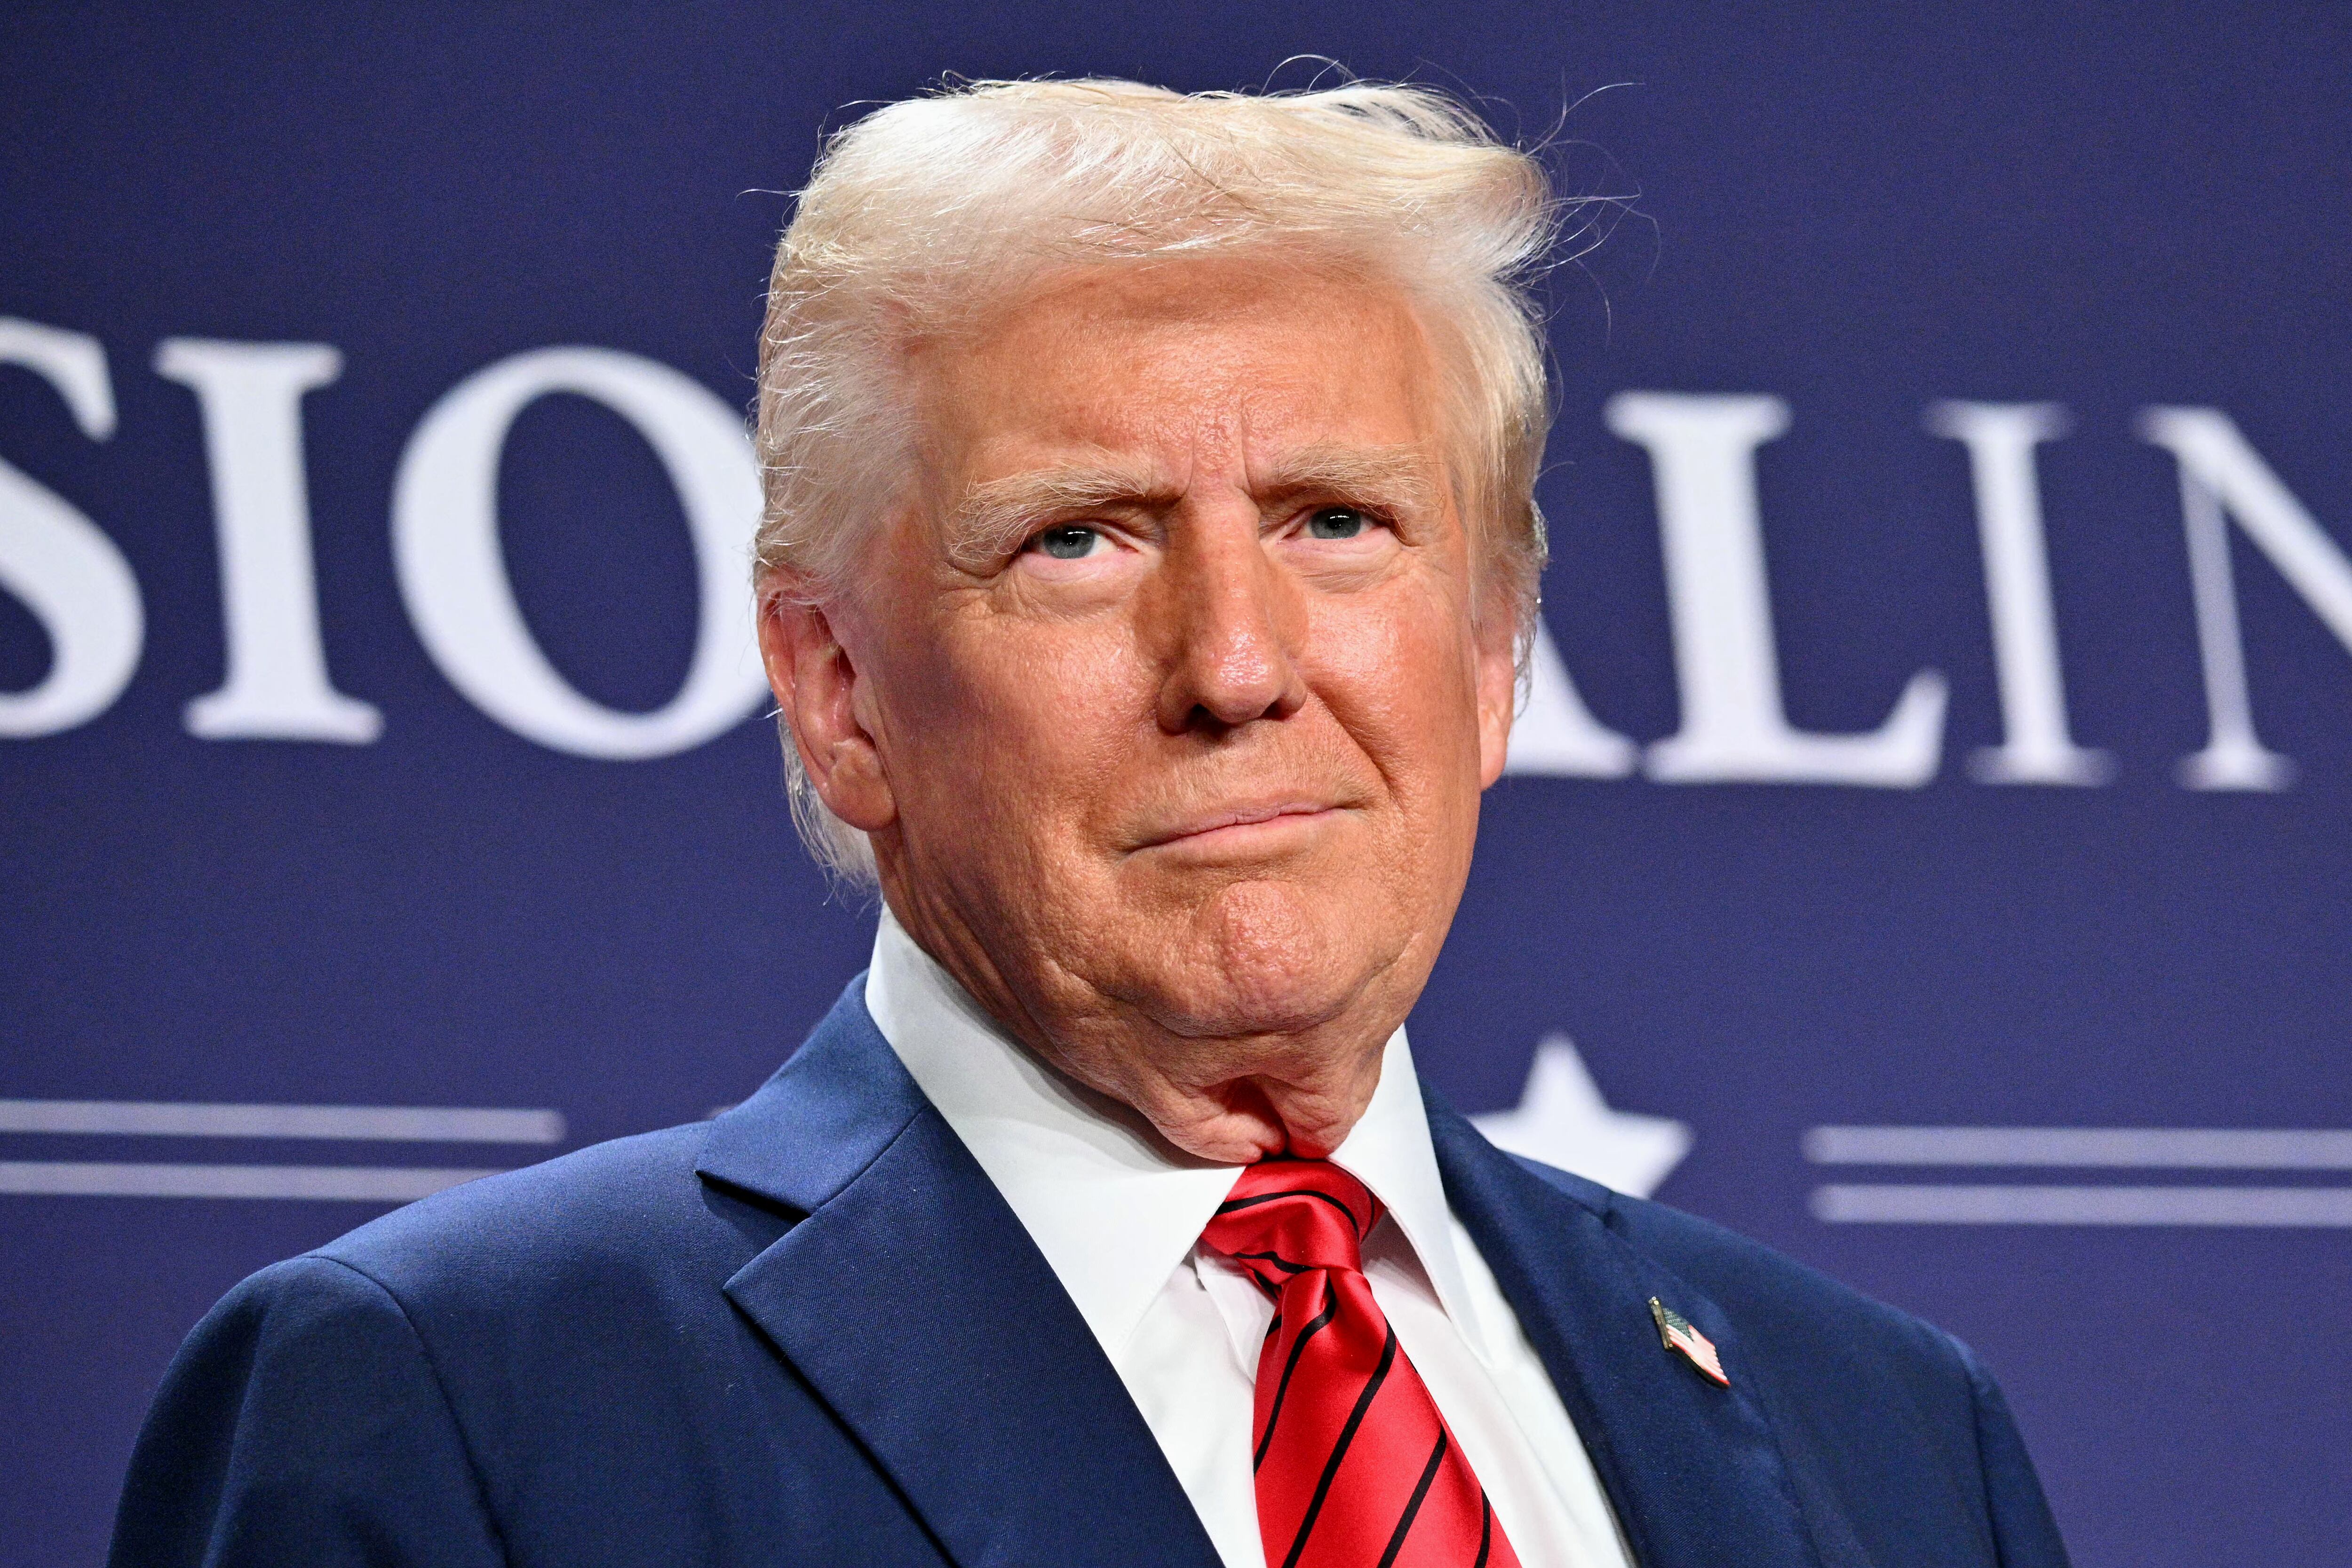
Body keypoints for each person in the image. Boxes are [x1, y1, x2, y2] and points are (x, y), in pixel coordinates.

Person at [109, 78, 2070, 1568]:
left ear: (1489, 651)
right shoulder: (455, 1400)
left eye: (1335, 523)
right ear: (840, 695)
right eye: (1078, 540)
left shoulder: (1880, 1433)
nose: (1234, 662)